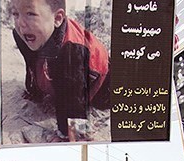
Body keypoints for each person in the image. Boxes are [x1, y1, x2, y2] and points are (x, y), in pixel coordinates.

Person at [9, 0, 111, 142]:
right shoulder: (24, 35)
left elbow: (75, 106)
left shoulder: (71, 52)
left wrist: (66, 133)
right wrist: (34, 91)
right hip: (60, 70)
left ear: (57, 19)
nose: (20, 23)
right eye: (16, 14)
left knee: (75, 94)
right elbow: (31, 64)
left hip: (101, 85)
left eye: (30, 14)